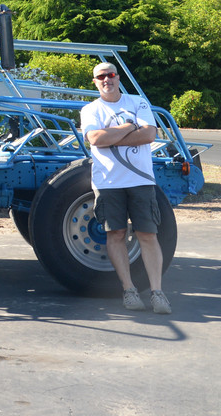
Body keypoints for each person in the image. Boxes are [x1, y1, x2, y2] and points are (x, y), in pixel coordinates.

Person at [79, 62, 172, 314]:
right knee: (115, 234)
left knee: (148, 235)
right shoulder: (90, 110)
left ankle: (157, 293)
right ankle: (129, 291)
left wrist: (113, 136)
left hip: (140, 180)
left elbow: (149, 135)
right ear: (95, 82)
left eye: (110, 75)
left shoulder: (138, 102)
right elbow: (96, 140)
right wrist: (130, 126)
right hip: (108, 182)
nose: (106, 79)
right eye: (101, 77)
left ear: (118, 78)